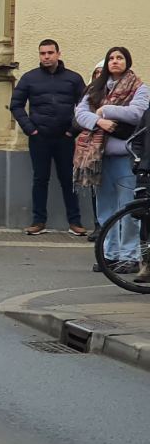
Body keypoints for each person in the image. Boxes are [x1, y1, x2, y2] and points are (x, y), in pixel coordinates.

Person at [73, 46, 149, 274]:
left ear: (128, 61)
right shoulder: (95, 88)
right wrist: (99, 123)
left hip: (124, 156)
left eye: (120, 58)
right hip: (98, 157)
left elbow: (138, 113)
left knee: (126, 208)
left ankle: (129, 256)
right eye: (112, 58)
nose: (115, 61)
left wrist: (105, 110)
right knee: (104, 209)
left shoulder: (139, 87)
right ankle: (109, 254)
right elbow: (80, 112)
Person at [11, 39, 88, 237]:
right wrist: (31, 130)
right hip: (39, 138)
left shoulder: (73, 79)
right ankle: (38, 221)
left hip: (65, 137)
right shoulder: (29, 78)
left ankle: (75, 222)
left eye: (50, 53)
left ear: (58, 54)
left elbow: (85, 108)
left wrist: (72, 131)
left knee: (67, 180)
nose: (46, 57)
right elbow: (16, 105)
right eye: (42, 53)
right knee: (40, 179)